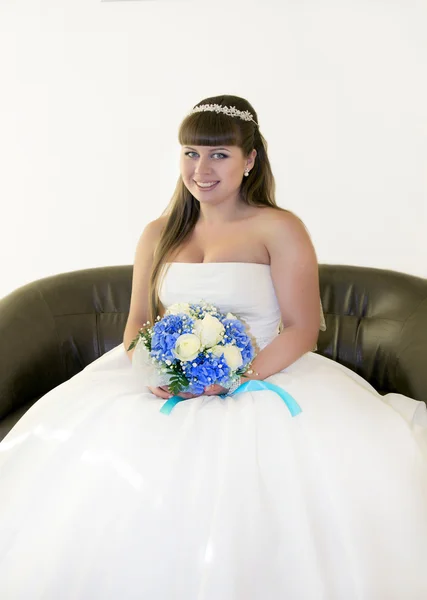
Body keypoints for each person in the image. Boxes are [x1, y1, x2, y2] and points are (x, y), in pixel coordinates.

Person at [0, 94, 426, 599]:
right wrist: (155, 372)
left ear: (249, 161)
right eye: (190, 153)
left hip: (262, 375)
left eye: (219, 154)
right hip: (168, 383)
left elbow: (302, 327)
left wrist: (237, 379)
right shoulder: (157, 233)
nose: (201, 169)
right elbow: (139, 322)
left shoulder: (279, 228)